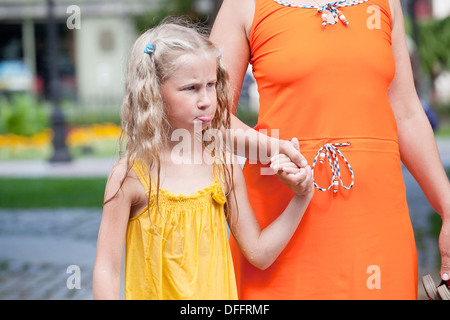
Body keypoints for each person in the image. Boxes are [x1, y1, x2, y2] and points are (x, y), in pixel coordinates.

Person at [210, 0, 450, 299]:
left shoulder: (387, 4)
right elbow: (208, 118)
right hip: (279, 225)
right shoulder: (243, 5)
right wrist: (275, 150)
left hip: (375, 224)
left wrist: (448, 207)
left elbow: (406, 112)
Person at [92, 20, 314, 300]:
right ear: (153, 92)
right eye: (191, 88)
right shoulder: (130, 176)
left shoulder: (223, 166)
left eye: (211, 85)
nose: (207, 99)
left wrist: (302, 196)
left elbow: (259, 253)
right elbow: (106, 270)